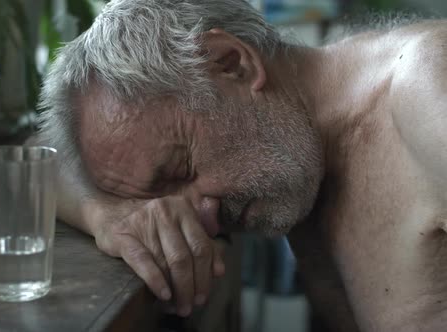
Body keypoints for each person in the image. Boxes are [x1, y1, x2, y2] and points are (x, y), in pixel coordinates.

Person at [30, 0, 447, 331]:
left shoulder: (428, 90)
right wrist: (108, 216)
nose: (204, 220)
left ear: (231, 62)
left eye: (181, 169)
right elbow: (34, 158)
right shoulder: (301, 139)